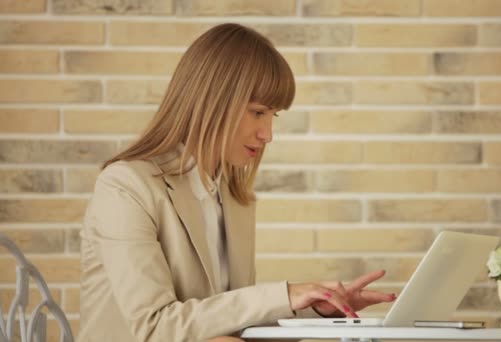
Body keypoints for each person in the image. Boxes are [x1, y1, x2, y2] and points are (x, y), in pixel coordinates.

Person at [78, 23, 395, 342]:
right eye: (258, 112)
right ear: (212, 101)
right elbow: (155, 326)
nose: (267, 134)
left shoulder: (231, 197)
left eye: (274, 116)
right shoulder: (125, 187)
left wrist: (316, 308)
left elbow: (228, 319)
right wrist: (284, 296)